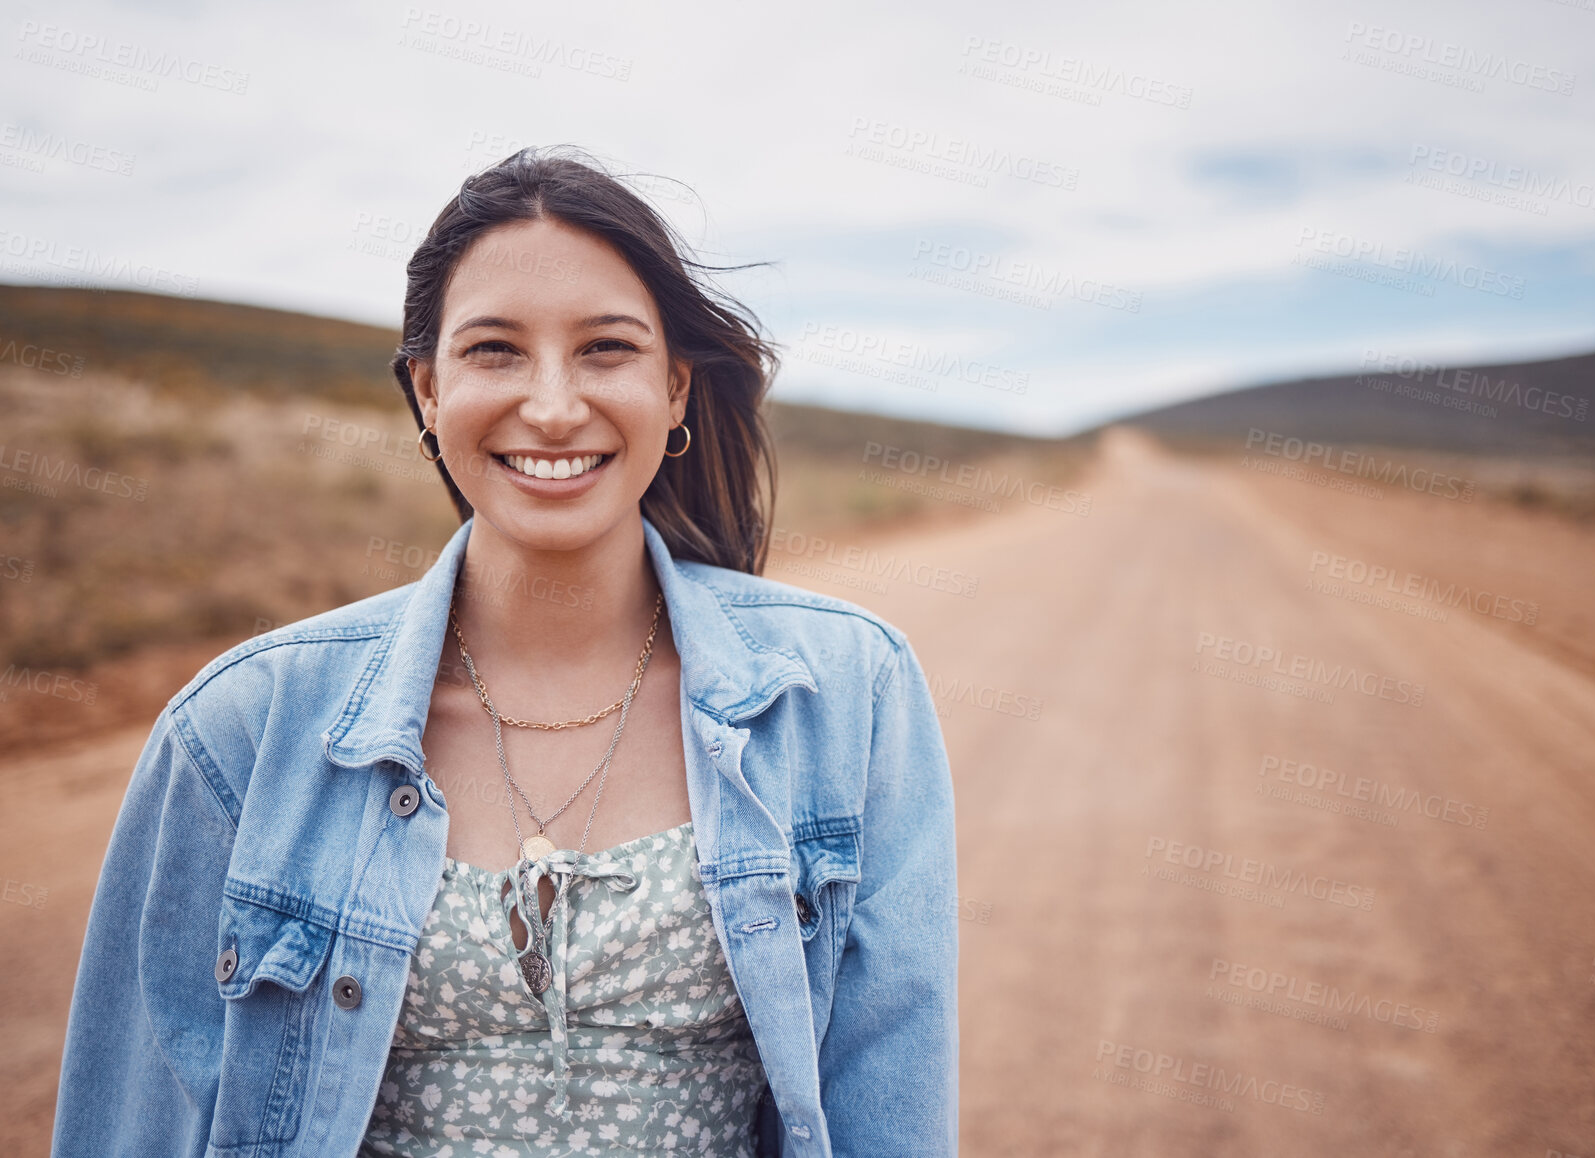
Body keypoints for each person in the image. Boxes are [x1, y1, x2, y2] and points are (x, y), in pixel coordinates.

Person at [50, 145, 959, 1157]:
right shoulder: (240, 729)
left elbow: (890, 1108)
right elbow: (133, 1124)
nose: (555, 405)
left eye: (607, 348)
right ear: (428, 394)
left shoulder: (846, 694)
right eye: (495, 351)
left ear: (675, 390)